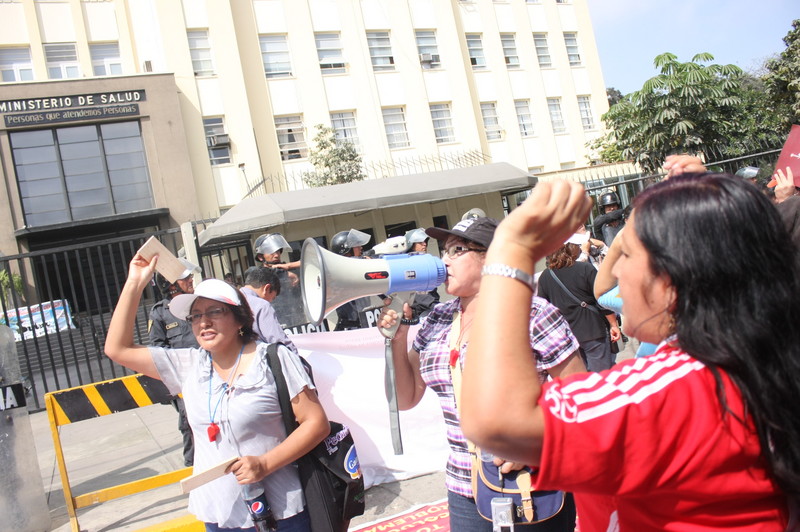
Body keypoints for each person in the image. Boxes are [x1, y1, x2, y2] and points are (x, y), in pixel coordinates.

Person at [461, 177, 800, 531]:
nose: (616, 269)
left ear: (672, 279)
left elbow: (495, 421)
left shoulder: (676, 388)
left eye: (626, 253)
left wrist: (511, 252)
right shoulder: (762, 354)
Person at [378, 216, 585, 532]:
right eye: (444, 251)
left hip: (530, 480)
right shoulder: (438, 319)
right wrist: (397, 337)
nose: (444, 260)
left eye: (457, 250)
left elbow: (581, 395)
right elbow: (405, 398)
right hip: (464, 488)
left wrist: (536, 441)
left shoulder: (532, 313)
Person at [105, 260, 329, 531]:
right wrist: (134, 283)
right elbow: (117, 348)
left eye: (214, 311)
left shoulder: (274, 358)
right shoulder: (188, 365)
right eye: (196, 315)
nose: (204, 322)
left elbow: (316, 423)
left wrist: (265, 464)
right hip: (220, 515)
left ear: (239, 318)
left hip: (282, 513)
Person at [536, 236, 620, 371]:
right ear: (570, 249)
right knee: (601, 374)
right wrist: (613, 324)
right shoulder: (585, 269)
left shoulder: (546, 276)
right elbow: (601, 300)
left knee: (583, 377)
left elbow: (544, 307)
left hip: (568, 335)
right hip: (593, 329)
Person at [148, 258, 200, 467]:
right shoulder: (160, 312)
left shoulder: (198, 302)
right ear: (171, 285)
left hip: (211, 370)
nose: (190, 279)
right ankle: (192, 464)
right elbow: (157, 348)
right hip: (184, 380)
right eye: (185, 278)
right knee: (189, 423)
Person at [240, 266, 297, 352]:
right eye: (272, 298)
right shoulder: (261, 305)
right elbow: (279, 341)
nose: (270, 302)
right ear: (267, 288)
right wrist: (298, 360)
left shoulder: (230, 299)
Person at [330, 229, 373, 331]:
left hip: (363, 322)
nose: (361, 247)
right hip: (350, 327)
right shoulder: (341, 268)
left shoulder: (357, 264)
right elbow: (352, 263)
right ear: (346, 249)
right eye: (356, 245)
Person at [404, 228, 440, 319]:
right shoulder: (405, 265)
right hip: (415, 312)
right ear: (411, 245)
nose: (424, 244)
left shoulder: (428, 262)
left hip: (431, 308)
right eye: (420, 242)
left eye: (425, 242)